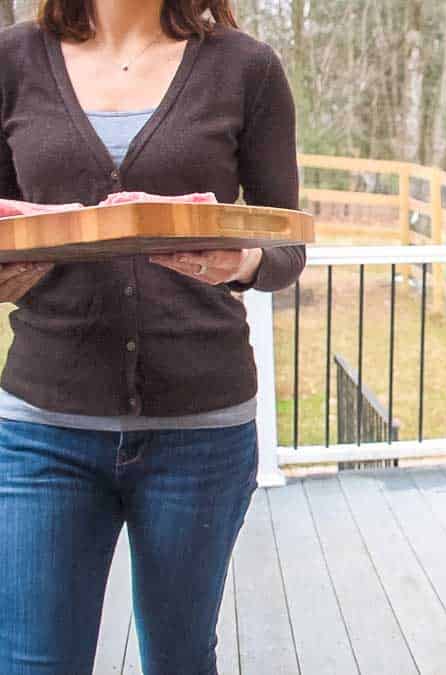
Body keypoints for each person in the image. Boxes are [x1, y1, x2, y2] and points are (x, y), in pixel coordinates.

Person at [0, 0, 304, 672]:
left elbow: (288, 246)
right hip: (43, 429)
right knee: (32, 661)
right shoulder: (11, 62)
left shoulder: (246, 68)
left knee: (179, 658)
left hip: (201, 430)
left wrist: (242, 259)